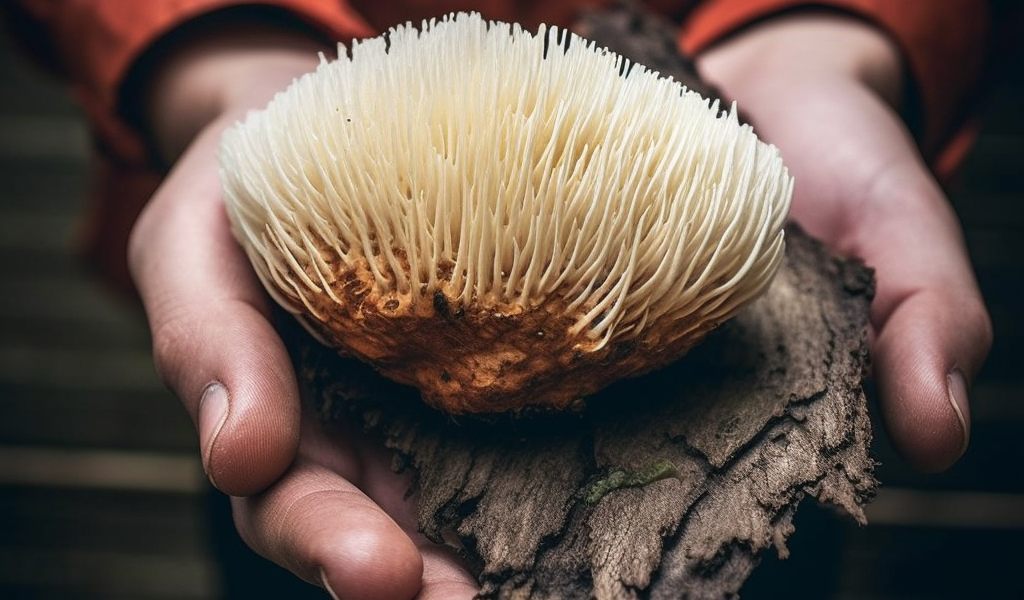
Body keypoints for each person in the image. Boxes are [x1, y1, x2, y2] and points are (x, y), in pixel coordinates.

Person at [7, 1, 994, 598]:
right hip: (327, 378)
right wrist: (212, 47)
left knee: (750, 555)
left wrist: (831, 34)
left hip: (720, 468)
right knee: (297, 544)